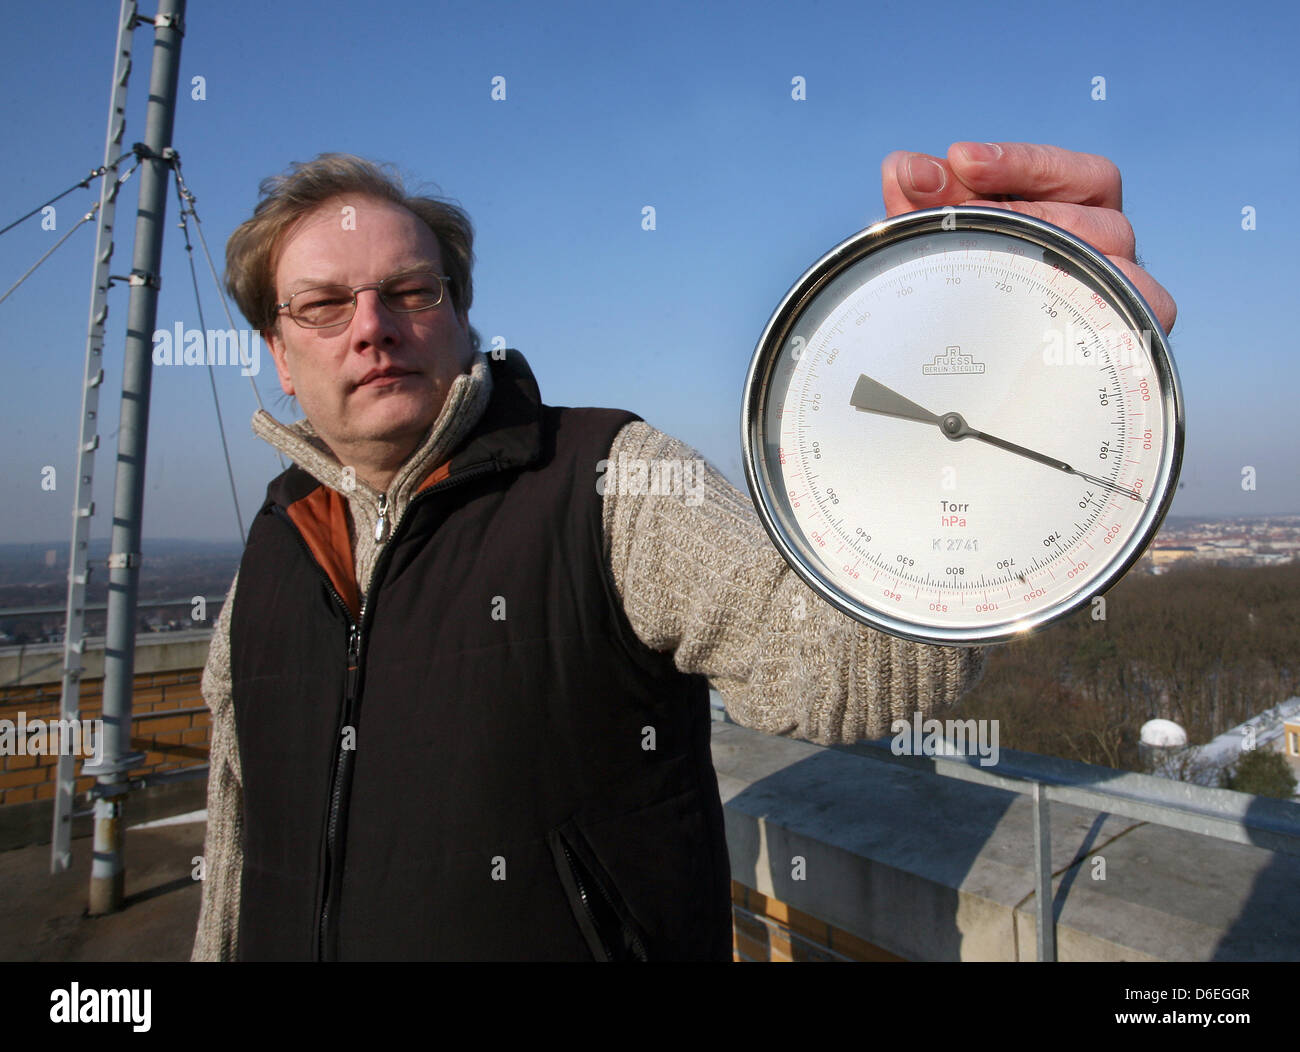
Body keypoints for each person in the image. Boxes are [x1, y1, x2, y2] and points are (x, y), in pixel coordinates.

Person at [190, 143, 1176, 961]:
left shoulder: (608, 478)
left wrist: (988, 395)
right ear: (278, 351)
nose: (373, 328)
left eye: (409, 289)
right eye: (325, 305)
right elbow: (237, 845)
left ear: (458, 313)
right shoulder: (273, 547)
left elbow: (836, 671)